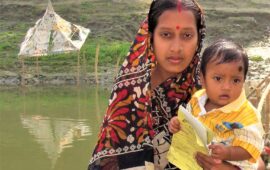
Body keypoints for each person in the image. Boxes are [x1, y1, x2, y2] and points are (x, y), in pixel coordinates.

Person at [88, 0, 265, 169]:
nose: (176, 47)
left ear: (199, 38)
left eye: (187, 35)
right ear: (151, 37)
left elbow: (256, 162)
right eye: (166, 35)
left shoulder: (212, 87)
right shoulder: (129, 94)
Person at [169, 39, 265, 169]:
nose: (226, 87)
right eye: (218, 78)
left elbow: (251, 147)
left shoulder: (246, 115)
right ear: (202, 79)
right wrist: (178, 124)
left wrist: (228, 153)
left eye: (235, 80)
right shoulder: (197, 99)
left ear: (243, 80)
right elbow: (189, 122)